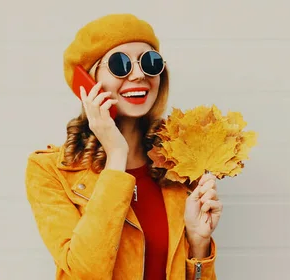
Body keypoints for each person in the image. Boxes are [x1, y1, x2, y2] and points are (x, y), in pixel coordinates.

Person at [25, 13, 222, 280]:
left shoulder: (180, 166)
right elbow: (88, 272)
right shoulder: (49, 171)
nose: (139, 74)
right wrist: (117, 155)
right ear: (87, 82)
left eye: (151, 63)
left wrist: (198, 244)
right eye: (120, 64)